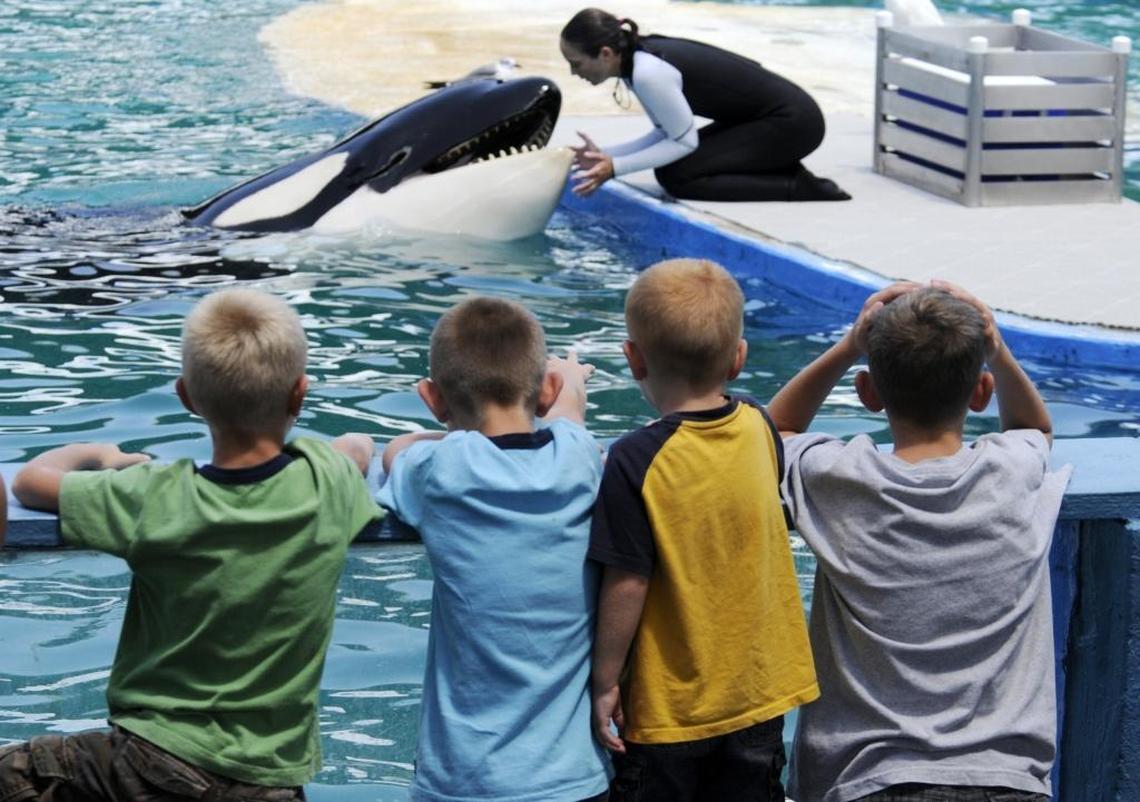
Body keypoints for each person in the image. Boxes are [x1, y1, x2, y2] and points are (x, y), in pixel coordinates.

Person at [4, 288, 381, 801]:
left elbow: (31, 483)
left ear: (186, 396)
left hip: (148, 762)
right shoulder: (326, 481)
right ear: (300, 393)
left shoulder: (154, 496)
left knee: (17, 773)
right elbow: (357, 448)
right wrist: (340, 449)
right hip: (271, 781)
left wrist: (103, 454)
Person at [768, 281, 1072, 802]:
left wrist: (847, 347)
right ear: (980, 393)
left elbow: (773, 432)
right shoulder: (1009, 471)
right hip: (1009, 781)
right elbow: (1035, 427)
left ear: (867, 393)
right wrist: (995, 349)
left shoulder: (842, 479)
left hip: (868, 781)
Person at [588, 258, 818, 802]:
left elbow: (627, 582)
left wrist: (604, 681)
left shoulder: (633, 460)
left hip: (669, 710)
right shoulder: (759, 427)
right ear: (738, 358)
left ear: (633, 359)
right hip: (758, 698)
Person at [378, 296, 611, 802]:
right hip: (571, 778)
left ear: (433, 398)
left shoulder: (440, 468)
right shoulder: (578, 458)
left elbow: (398, 452)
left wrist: (432, 434)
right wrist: (569, 380)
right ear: (544, 390)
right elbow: (570, 413)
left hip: (464, 780)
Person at [559, 7, 851, 202]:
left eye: (576, 63)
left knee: (678, 177)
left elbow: (683, 142)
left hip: (794, 124)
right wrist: (605, 156)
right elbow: (667, 132)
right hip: (765, 121)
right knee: (673, 168)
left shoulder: (648, 72)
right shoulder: (637, 62)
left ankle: (798, 186)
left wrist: (615, 167)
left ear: (606, 53)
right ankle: (779, 168)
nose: (574, 72)